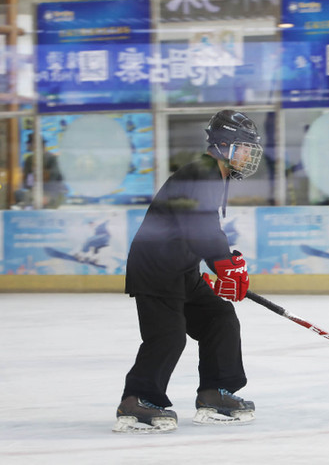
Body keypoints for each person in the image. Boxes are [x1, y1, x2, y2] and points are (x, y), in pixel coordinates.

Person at [113, 110, 264, 434]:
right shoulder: (203, 173)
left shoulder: (212, 174)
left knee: (218, 317)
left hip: (180, 268)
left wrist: (224, 260)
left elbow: (199, 226)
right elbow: (200, 225)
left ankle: (215, 393)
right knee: (167, 336)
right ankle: (136, 401)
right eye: (246, 147)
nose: (250, 154)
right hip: (156, 269)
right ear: (226, 145)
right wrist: (223, 263)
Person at [17, 132, 66, 209]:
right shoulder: (29, 160)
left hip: (51, 195)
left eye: (29, 143)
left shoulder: (52, 159)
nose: (28, 145)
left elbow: (55, 178)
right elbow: (28, 180)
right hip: (36, 195)